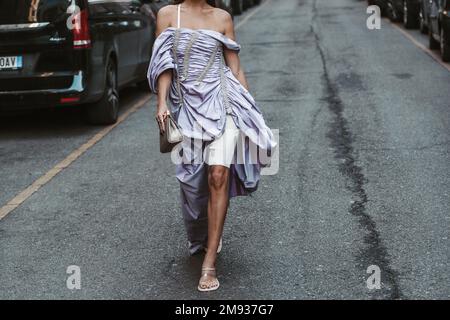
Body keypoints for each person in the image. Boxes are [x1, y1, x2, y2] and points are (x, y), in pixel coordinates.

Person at [147, 0, 277, 292]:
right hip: (188, 108)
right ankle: (202, 238)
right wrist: (162, 103)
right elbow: (164, 63)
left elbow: (235, 68)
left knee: (218, 174)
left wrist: (250, 108)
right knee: (193, 190)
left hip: (225, 103)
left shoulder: (222, 18)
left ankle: (209, 263)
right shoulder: (168, 15)